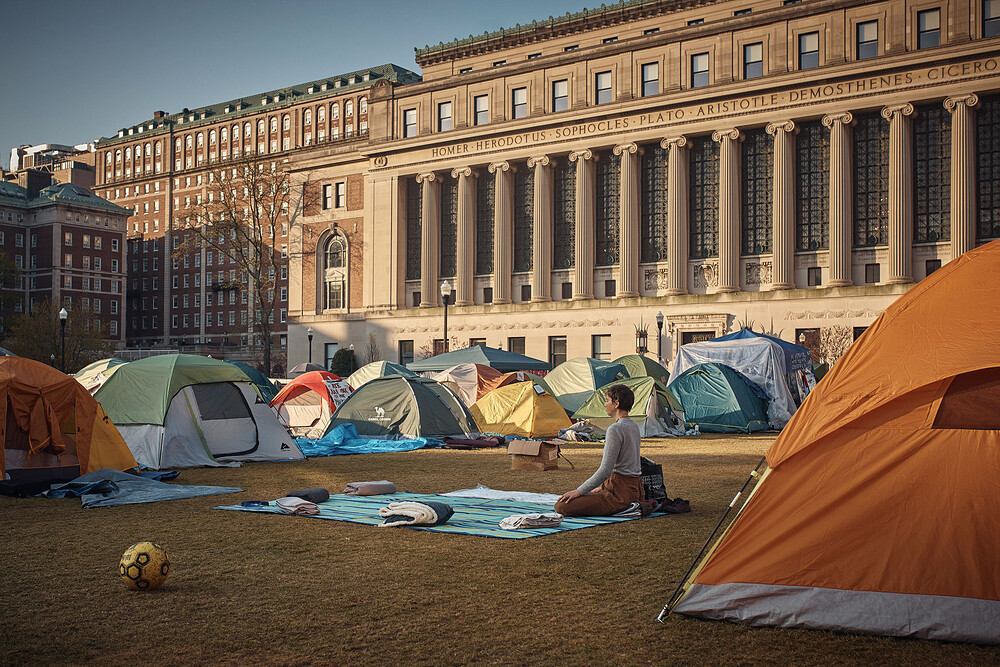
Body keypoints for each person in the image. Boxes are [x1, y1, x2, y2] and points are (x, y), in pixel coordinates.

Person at [555, 384, 642, 517]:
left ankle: (626, 507)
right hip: (635, 489)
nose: (605, 404)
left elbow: (605, 470)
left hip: (620, 494)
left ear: (616, 403)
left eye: (607, 400)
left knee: (562, 506)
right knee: (583, 497)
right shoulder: (634, 426)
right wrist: (602, 488)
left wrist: (578, 491)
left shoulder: (615, 429)